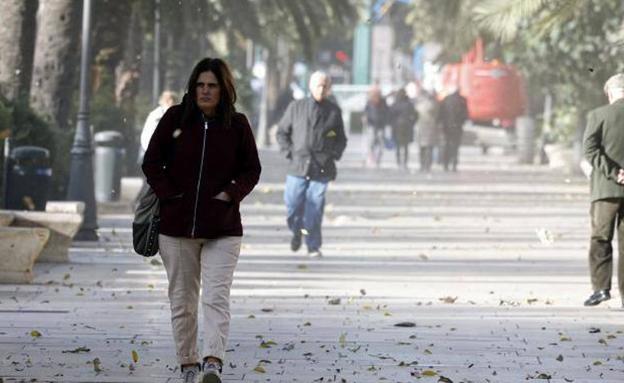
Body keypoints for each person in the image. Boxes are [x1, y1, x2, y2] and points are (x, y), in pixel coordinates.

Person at [142, 58, 261, 383]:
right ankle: (188, 365)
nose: (206, 91)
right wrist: (170, 195)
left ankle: (212, 362)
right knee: (182, 302)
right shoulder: (174, 119)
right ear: (193, 88)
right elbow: (152, 162)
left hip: (223, 229)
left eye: (212, 86)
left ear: (224, 90)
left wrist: (230, 194)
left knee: (215, 297)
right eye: (200, 86)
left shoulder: (237, 125)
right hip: (176, 229)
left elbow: (252, 169)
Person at [276, 71, 347, 257]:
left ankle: (313, 245)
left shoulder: (333, 111)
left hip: (322, 167)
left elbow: (340, 138)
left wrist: (333, 153)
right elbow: (282, 132)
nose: (321, 89)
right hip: (297, 166)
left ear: (329, 88)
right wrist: (289, 152)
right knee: (292, 205)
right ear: (310, 86)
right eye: (318, 85)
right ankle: (297, 231)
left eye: (325, 85)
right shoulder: (296, 107)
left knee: (315, 207)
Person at [581, 73, 624, 308]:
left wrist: (614, 171)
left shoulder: (598, 115)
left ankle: (601, 289)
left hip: (606, 190)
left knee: (600, 238)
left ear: (610, 93)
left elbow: (590, 149)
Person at [439, 87, 468, 171]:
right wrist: (461, 122)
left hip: (447, 127)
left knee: (447, 145)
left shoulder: (446, 99)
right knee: (455, 146)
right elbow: (465, 115)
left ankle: (446, 164)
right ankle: (454, 164)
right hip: (457, 127)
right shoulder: (462, 100)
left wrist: (441, 123)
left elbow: (441, 113)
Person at [389, 88, 418, 170]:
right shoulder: (409, 104)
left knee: (398, 146)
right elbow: (415, 115)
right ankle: (404, 163)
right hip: (407, 127)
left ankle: (398, 162)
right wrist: (412, 123)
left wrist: (392, 124)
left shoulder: (395, 104)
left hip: (397, 127)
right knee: (405, 146)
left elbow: (390, 115)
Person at [415, 89, 440, 172]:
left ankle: (422, 165)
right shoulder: (434, 105)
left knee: (422, 148)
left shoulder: (419, 105)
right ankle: (428, 165)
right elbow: (437, 115)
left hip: (421, 127)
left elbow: (415, 114)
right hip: (430, 127)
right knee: (429, 148)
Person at [364, 85, 388, 167]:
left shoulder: (383, 101)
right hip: (371, 125)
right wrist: (365, 118)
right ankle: (371, 158)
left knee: (381, 143)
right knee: (371, 142)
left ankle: (378, 160)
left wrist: (385, 120)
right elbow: (366, 111)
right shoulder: (369, 102)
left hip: (381, 125)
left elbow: (386, 112)